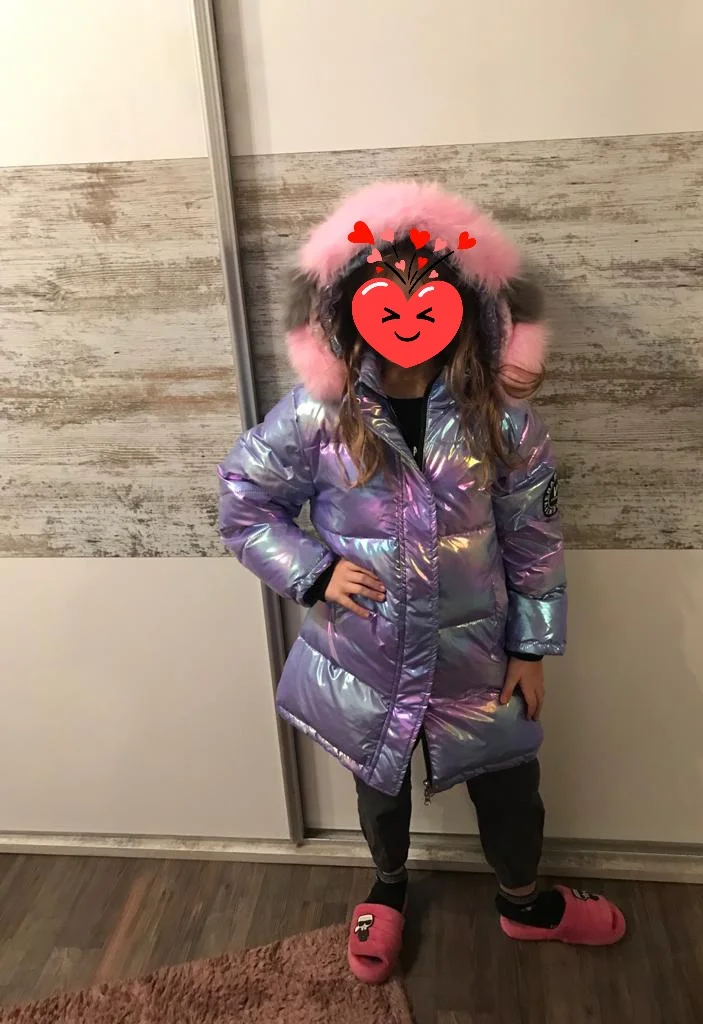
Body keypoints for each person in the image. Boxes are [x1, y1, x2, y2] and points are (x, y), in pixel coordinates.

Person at [217, 181, 625, 983]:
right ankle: (388, 886)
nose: (406, 320)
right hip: (364, 655)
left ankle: (523, 900)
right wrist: (316, 572)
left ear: (466, 308)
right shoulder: (318, 417)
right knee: (378, 787)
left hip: (479, 659)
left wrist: (531, 649)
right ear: (348, 309)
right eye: (385, 301)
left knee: (511, 788)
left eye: (427, 301)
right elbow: (244, 502)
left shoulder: (502, 422)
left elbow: (535, 538)